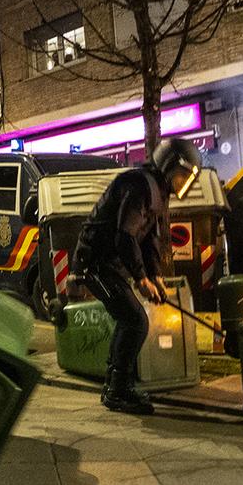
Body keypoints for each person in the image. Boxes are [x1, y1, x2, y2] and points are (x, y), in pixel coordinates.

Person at [75, 138, 205, 417]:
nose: (184, 184)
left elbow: (149, 239)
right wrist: (140, 278)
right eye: (182, 176)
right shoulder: (139, 186)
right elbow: (125, 234)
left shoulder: (158, 191)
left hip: (112, 266)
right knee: (134, 321)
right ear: (168, 166)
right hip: (95, 264)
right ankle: (118, 391)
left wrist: (154, 274)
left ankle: (115, 385)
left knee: (131, 320)